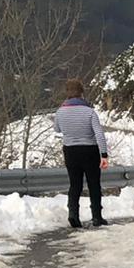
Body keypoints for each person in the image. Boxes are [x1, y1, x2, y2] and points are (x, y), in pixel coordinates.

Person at [53, 79, 109, 229]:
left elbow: (57, 129)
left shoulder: (60, 112)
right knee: (94, 184)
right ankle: (97, 216)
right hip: (89, 150)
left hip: (70, 150)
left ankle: (73, 214)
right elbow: (99, 134)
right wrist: (104, 155)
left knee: (75, 184)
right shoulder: (90, 112)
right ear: (82, 93)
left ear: (67, 93)